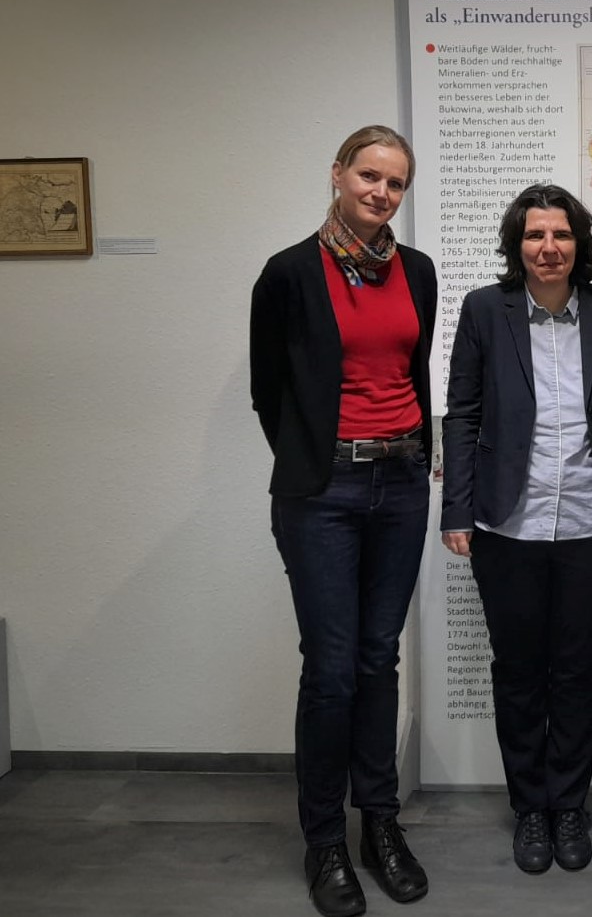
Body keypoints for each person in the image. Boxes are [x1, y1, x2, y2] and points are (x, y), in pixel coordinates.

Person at [250, 126, 435, 917]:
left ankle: (379, 826)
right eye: (368, 175)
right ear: (337, 174)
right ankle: (324, 839)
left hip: (402, 485)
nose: (380, 192)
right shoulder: (290, 272)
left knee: (376, 661)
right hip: (323, 491)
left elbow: (411, 372)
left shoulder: (416, 271)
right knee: (329, 670)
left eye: (395, 183)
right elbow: (268, 391)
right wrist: (316, 465)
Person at [440, 184, 592, 875]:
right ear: (516, 245)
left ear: (579, 244)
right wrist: (455, 509)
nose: (548, 248)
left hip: (591, 522)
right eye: (534, 235)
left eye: (561, 235)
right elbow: (462, 412)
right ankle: (529, 807)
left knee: (578, 670)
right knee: (518, 671)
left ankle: (568, 804)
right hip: (506, 524)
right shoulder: (484, 310)